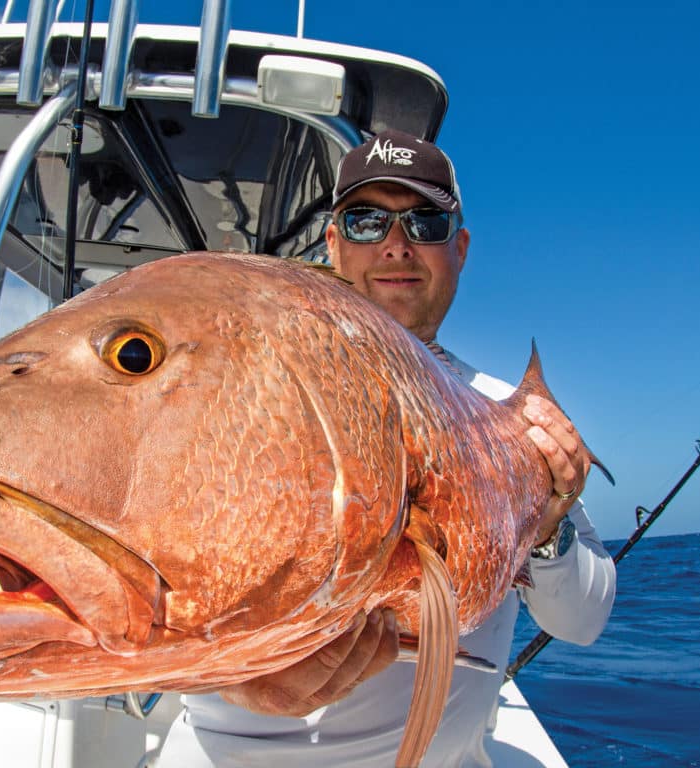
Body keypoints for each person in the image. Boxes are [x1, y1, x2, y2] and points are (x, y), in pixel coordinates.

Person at [157, 129, 616, 767]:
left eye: (424, 222)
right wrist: (228, 670)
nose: (397, 244)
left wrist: (546, 528)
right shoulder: (239, 384)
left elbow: (584, 621)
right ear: (335, 243)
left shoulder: (503, 417)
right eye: (368, 220)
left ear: (459, 248)